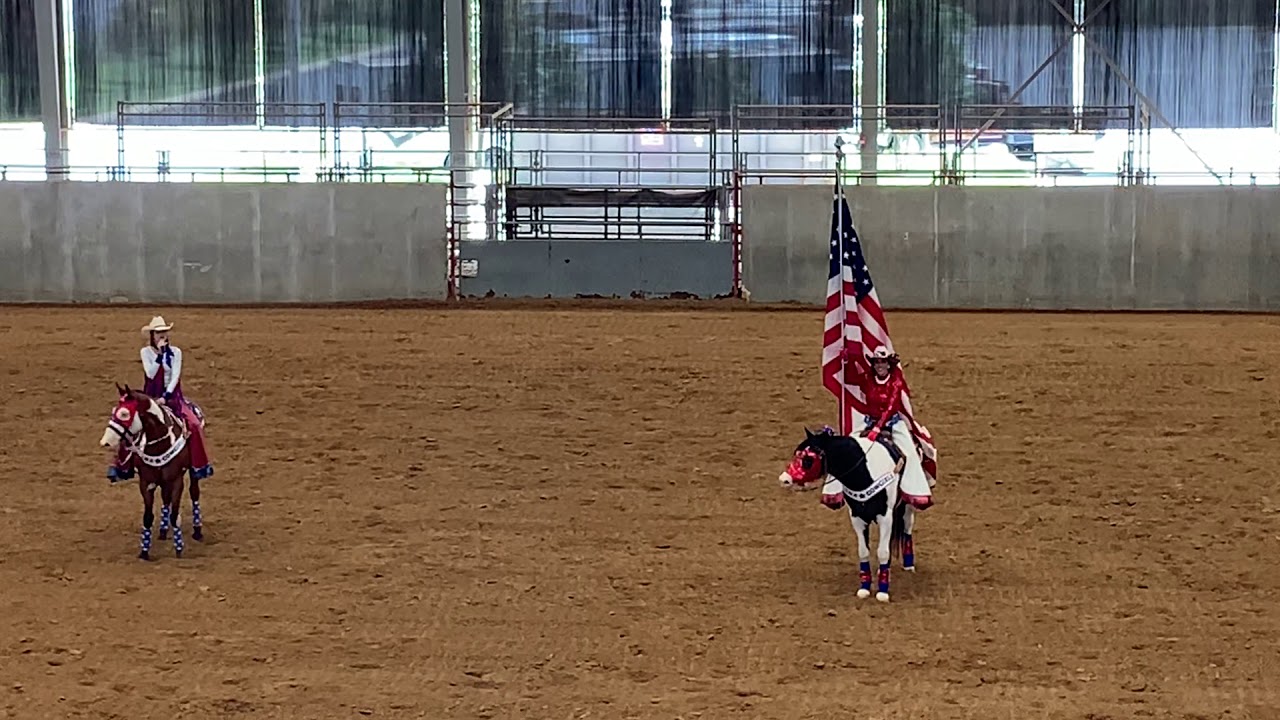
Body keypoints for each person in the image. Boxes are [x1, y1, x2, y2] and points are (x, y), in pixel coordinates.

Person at [107, 316, 214, 483]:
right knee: (130, 426)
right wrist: (159, 355)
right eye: (158, 332)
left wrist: (166, 397)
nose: (162, 335)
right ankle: (122, 466)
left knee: (193, 424)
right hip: (150, 397)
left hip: (172, 397)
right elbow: (150, 374)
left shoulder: (176, 352)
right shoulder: (145, 352)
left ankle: (198, 465)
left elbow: (175, 376)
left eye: (164, 332)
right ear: (152, 335)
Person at [844, 346, 933, 509]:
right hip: (870, 420)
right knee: (848, 444)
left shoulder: (895, 381)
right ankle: (838, 490)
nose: (880, 365)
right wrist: (848, 361)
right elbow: (850, 379)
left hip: (892, 422)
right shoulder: (868, 378)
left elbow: (891, 406)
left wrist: (878, 428)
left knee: (909, 452)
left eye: (883, 362)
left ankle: (916, 490)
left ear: (888, 364)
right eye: (877, 362)